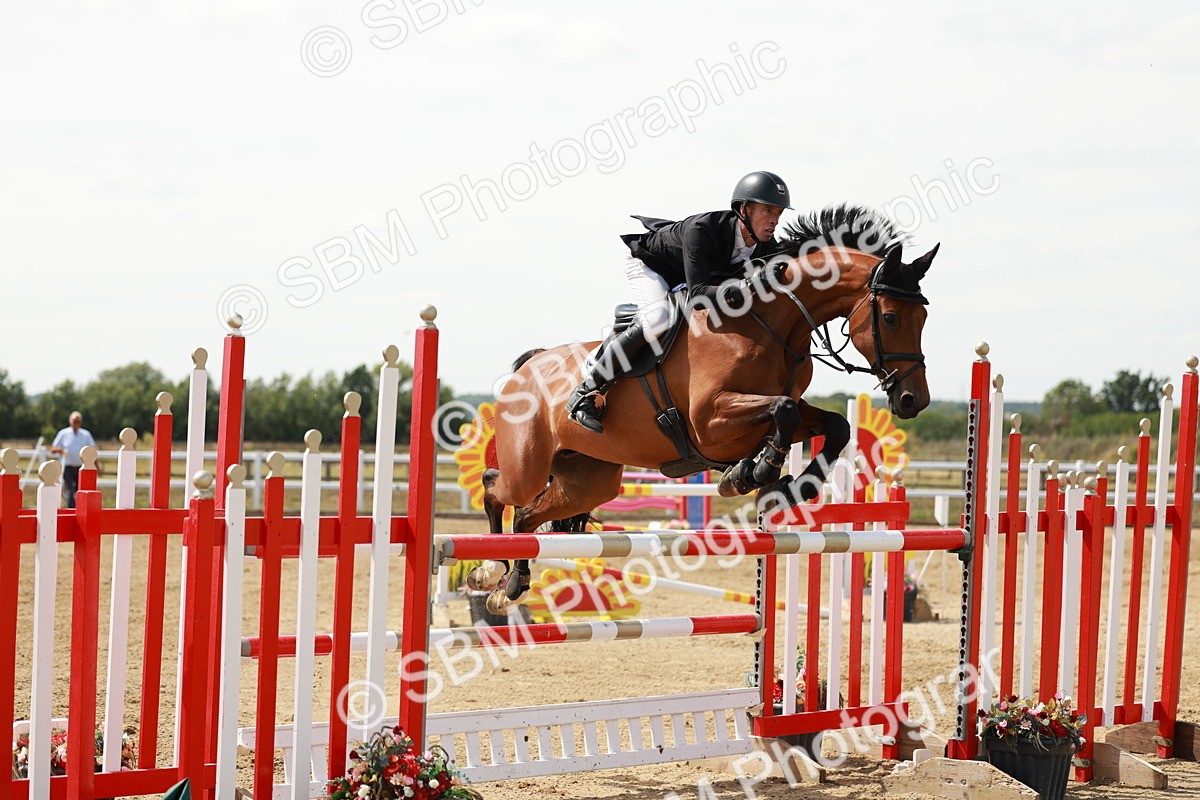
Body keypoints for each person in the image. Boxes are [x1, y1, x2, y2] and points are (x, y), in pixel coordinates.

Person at [567, 170, 791, 433]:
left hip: (689, 277)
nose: (774, 221)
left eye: (778, 213)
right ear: (744, 209)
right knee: (657, 319)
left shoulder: (764, 246)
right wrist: (749, 285)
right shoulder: (703, 230)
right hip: (652, 266)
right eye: (768, 211)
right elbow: (698, 295)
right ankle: (584, 394)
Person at [50, 411, 96, 508]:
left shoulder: (86, 434)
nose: (76, 424)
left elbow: (92, 450)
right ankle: (71, 510)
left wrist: (96, 466)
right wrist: (60, 450)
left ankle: (81, 510)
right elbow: (53, 448)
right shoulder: (63, 433)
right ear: (70, 421)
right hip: (68, 466)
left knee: (81, 491)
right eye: (74, 421)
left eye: (78, 422)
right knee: (70, 491)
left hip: (82, 467)